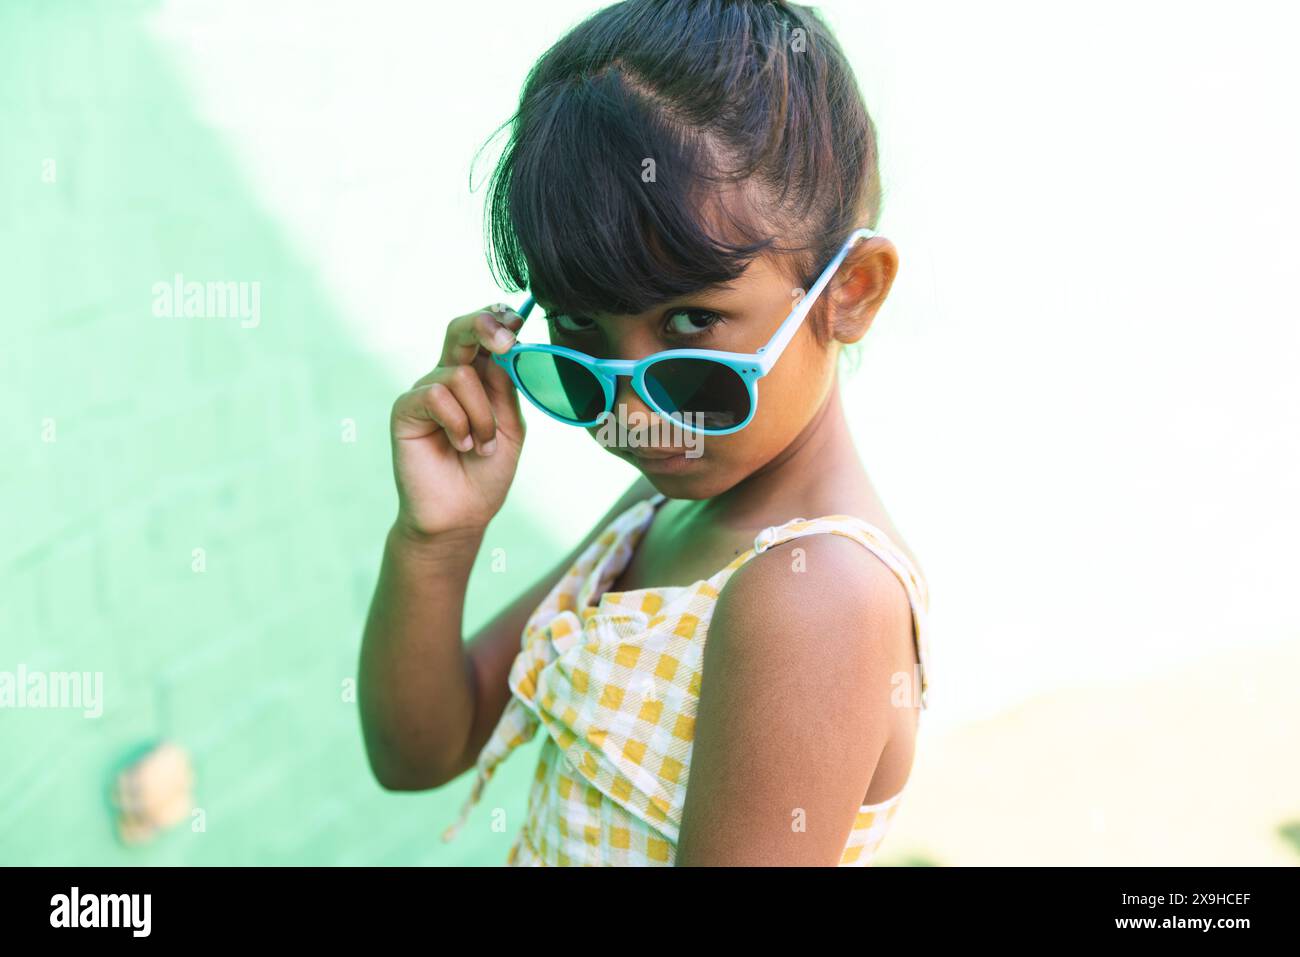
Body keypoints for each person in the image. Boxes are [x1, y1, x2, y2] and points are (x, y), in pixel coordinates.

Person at [359, 0, 932, 866]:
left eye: (694, 322)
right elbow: (420, 751)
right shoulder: (664, 507)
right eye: (579, 330)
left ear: (848, 290)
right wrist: (437, 537)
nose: (631, 414)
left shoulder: (816, 596)